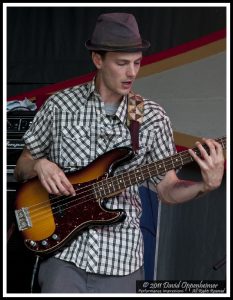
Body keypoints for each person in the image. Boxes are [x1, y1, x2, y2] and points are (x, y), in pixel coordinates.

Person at [14, 12, 225, 293]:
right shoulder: (59, 106)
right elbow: (22, 165)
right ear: (98, 60)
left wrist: (205, 186)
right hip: (64, 257)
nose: (132, 73)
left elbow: (168, 189)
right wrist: (40, 164)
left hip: (121, 263)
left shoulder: (151, 117)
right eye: (122, 63)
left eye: (137, 63)